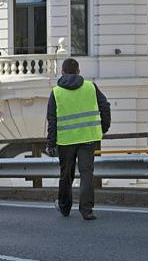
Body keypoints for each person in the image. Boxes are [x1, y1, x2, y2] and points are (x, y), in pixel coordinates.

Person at [46, 58, 111, 221]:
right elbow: (105, 106)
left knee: (66, 175)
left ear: (62, 72)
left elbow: (52, 120)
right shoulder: (90, 87)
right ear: (78, 72)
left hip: (66, 141)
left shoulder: (56, 92)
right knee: (87, 174)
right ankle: (87, 210)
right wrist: (103, 128)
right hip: (88, 138)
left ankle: (65, 207)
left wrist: (51, 143)